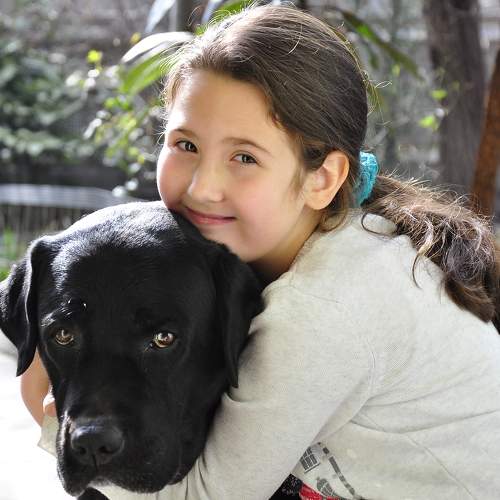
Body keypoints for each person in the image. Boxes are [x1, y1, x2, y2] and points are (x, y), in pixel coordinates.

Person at [23, 3, 500, 500]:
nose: (203, 188)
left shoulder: (325, 308)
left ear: (323, 178)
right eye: (186, 145)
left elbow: (208, 497)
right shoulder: (302, 245)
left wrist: (49, 413)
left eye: (244, 157)